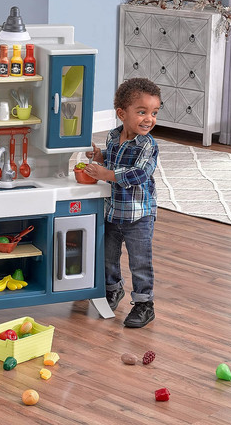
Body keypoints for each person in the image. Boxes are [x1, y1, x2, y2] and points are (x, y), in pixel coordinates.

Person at [85, 77, 161, 328]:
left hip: (139, 215)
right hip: (113, 211)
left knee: (140, 262)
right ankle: (112, 289)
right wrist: (101, 156)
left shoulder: (148, 145)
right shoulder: (113, 136)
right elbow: (115, 158)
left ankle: (144, 304)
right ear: (122, 114)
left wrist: (106, 174)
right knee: (108, 257)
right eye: (142, 112)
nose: (149, 119)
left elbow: (139, 174)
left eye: (154, 113)